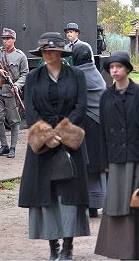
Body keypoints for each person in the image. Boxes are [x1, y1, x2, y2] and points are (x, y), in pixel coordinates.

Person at [18, 32, 90, 261]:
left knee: (69, 197)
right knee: (45, 198)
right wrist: (47, 136)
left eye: (52, 51)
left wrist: (61, 133)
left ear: (61, 53)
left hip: (70, 146)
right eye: (44, 52)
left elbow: (81, 106)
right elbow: (30, 111)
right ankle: (53, 247)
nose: (48, 55)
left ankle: (68, 247)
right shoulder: (32, 77)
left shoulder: (77, 75)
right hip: (42, 147)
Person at [95, 51, 139, 259]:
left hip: (135, 157)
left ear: (127, 69)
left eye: (119, 66)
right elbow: (102, 130)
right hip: (115, 158)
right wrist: (104, 161)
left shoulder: (138, 94)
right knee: (117, 204)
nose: (114, 70)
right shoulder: (106, 96)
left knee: (135, 202)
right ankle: (123, 250)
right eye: (111, 67)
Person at [71, 44, 107, 218]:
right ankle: (95, 203)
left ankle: (90, 203)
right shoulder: (94, 71)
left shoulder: (80, 74)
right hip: (99, 124)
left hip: (89, 124)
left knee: (88, 165)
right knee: (95, 166)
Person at [0, 28, 28, 159]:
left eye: (8, 38)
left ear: (14, 39)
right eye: (4, 39)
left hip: (11, 91)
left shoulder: (20, 56)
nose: (5, 41)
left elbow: (25, 74)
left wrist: (17, 86)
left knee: (14, 121)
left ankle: (12, 147)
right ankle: (4, 146)